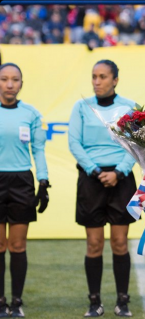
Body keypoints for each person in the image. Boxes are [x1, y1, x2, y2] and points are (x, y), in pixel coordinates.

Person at [68, 60, 137, 317]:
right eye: (94, 77)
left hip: (122, 180)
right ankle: (94, 302)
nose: (97, 81)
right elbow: (74, 142)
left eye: (103, 77)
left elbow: (136, 144)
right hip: (91, 180)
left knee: (120, 242)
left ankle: (123, 300)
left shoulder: (129, 106)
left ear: (115, 80)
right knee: (94, 243)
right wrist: (96, 171)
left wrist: (119, 172)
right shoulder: (81, 107)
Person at [0, 63, 49, 318]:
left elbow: (38, 150)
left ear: (21, 83)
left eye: (15, 80)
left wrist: (43, 181)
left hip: (21, 183)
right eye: (4, 79)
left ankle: (16, 303)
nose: (9, 84)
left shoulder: (31, 114)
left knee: (17, 246)